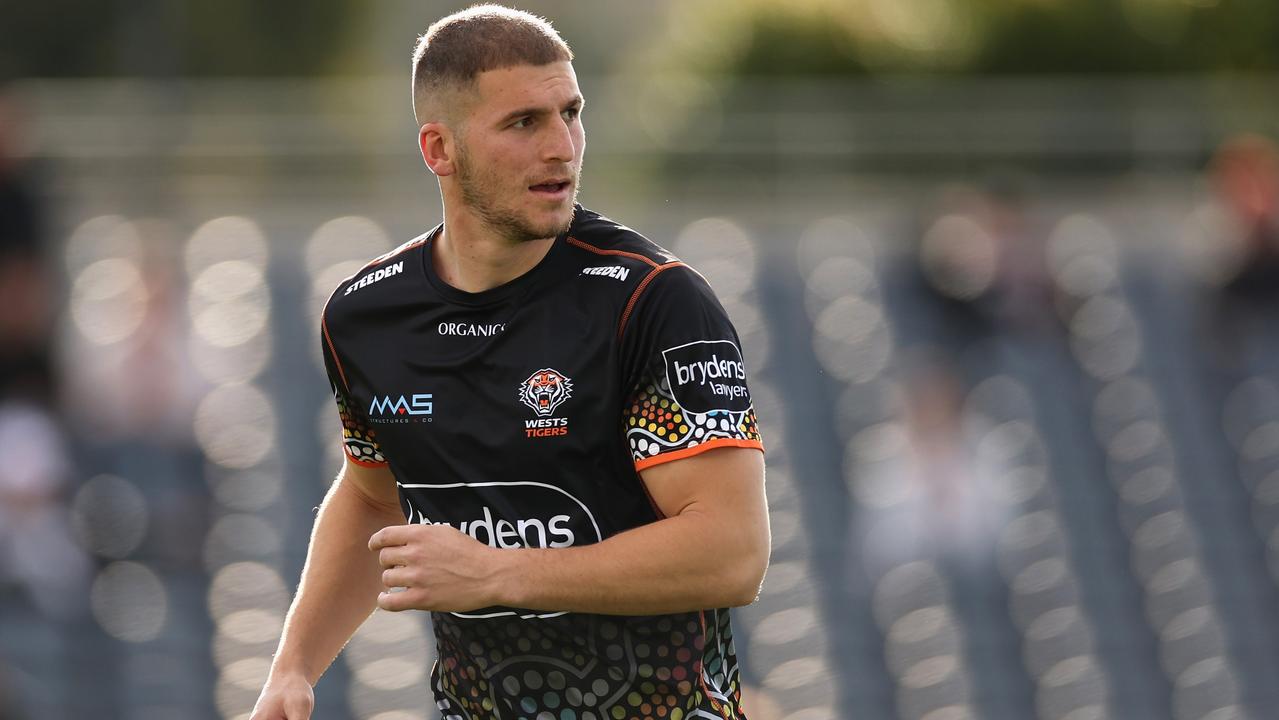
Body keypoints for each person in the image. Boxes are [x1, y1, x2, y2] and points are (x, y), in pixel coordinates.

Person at [250, 6, 770, 719]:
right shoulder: (364, 318)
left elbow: (731, 552)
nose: (562, 146)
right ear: (439, 148)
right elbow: (373, 495)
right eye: (523, 122)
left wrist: (498, 574)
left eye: (571, 112)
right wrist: (294, 666)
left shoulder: (651, 301)